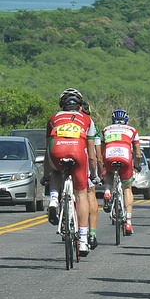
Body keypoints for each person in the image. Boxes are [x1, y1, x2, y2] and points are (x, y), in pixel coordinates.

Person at [45, 88, 98, 256]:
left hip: (57, 151)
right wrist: (95, 175)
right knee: (81, 194)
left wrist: (46, 175)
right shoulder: (88, 120)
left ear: (62, 105)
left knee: (55, 172)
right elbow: (91, 156)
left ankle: (54, 199)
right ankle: (83, 240)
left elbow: (47, 149)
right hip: (77, 153)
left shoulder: (54, 117)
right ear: (80, 105)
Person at [102, 109, 141, 236]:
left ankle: (107, 191)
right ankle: (128, 222)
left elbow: (101, 150)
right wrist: (137, 166)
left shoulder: (106, 130)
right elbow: (138, 154)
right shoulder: (132, 130)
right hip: (125, 156)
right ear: (127, 121)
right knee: (127, 189)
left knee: (108, 172)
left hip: (109, 154)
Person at [82, 102, 103, 250]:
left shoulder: (61, 118)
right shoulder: (90, 123)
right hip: (84, 161)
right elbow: (96, 155)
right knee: (90, 194)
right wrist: (97, 174)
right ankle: (92, 234)